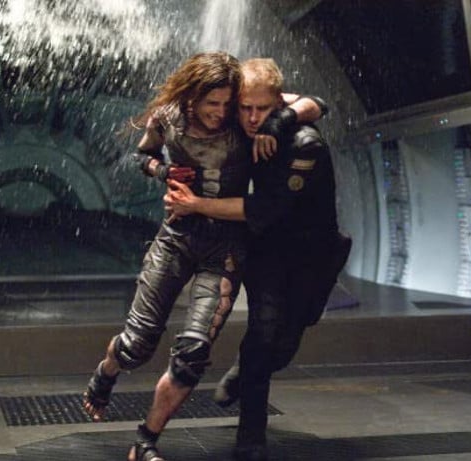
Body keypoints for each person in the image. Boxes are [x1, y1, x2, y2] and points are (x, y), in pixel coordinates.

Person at [81, 51, 326, 461]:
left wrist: (278, 122)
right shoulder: (168, 117)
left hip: (226, 247)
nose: (222, 112)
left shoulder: (244, 119)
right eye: (213, 103)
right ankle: (107, 371)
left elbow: (315, 104)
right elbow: (142, 156)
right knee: (136, 347)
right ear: (192, 97)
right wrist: (162, 172)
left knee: (193, 354)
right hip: (176, 239)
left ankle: (145, 441)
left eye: (228, 104)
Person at [164, 58, 351, 461]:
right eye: (244, 108)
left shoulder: (304, 144)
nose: (251, 118)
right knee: (263, 333)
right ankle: (251, 435)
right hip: (267, 247)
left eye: (262, 109)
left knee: (288, 339)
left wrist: (197, 204)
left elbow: (266, 206)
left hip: (311, 252)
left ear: (278, 103)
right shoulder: (237, 121)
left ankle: (245, 371)